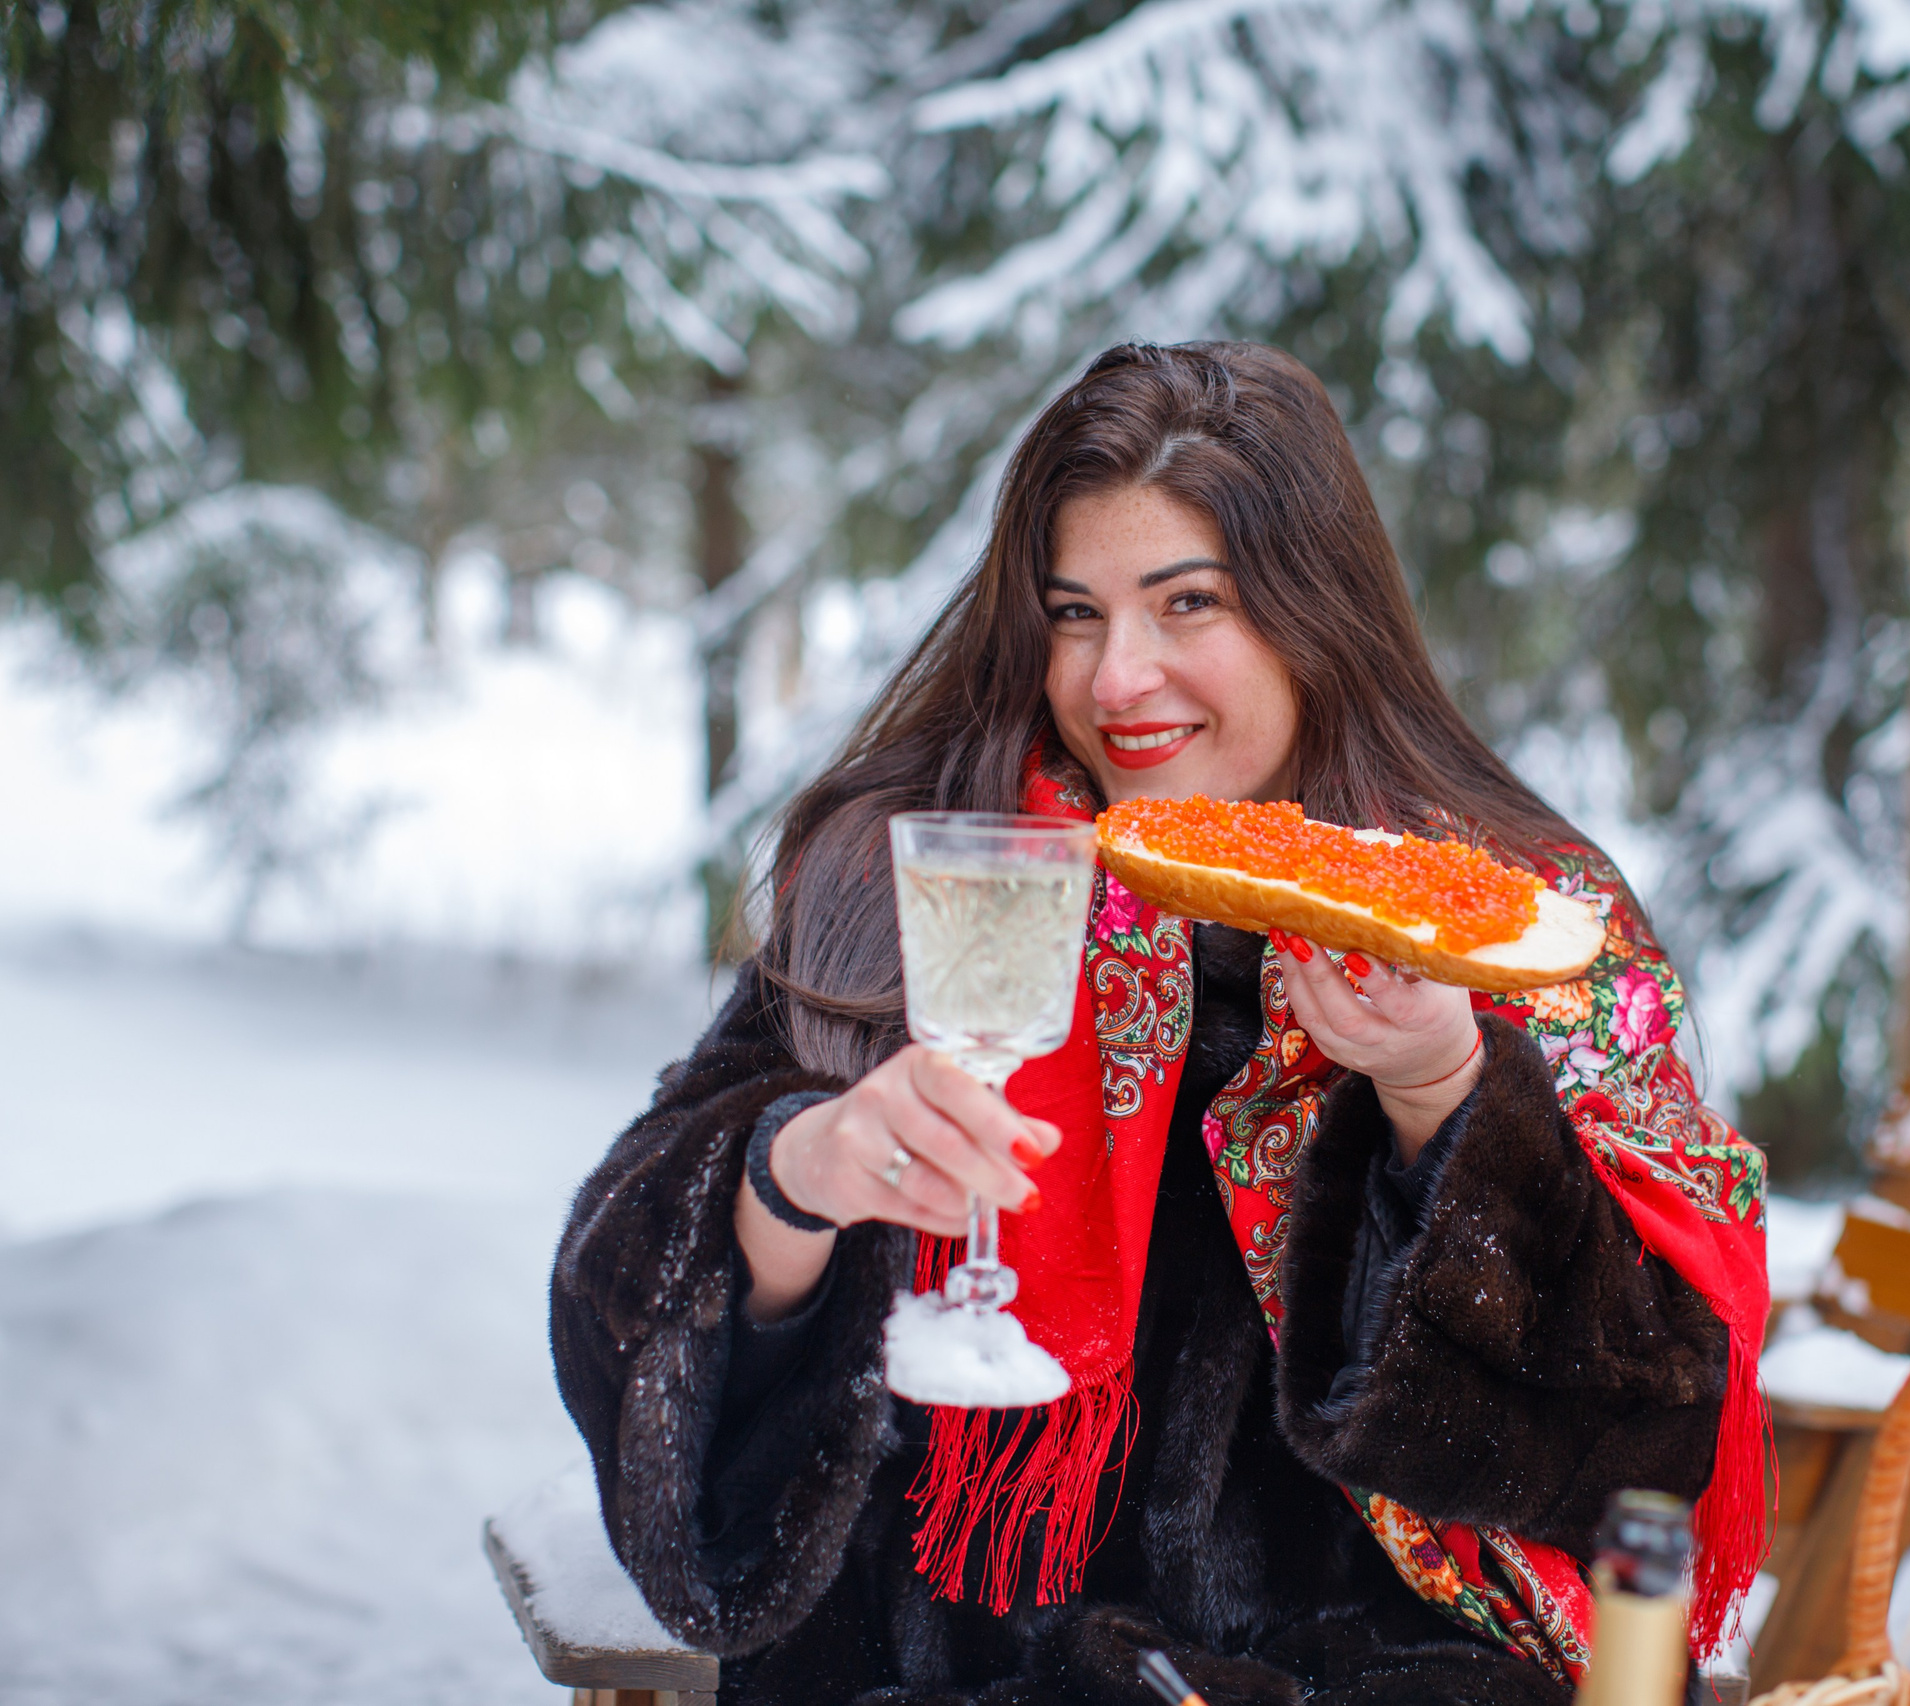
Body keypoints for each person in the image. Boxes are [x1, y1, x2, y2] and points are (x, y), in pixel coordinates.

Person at [551, 341, 1769, 1706]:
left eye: (1188, 603)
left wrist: (1441, 1091)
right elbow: (620, 1287)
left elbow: (1651, 1445)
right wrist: (793, 1179)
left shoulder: (1521, 921)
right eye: (1074, 613)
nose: (1117, 677)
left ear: (1319, 612)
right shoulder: (928, 871)